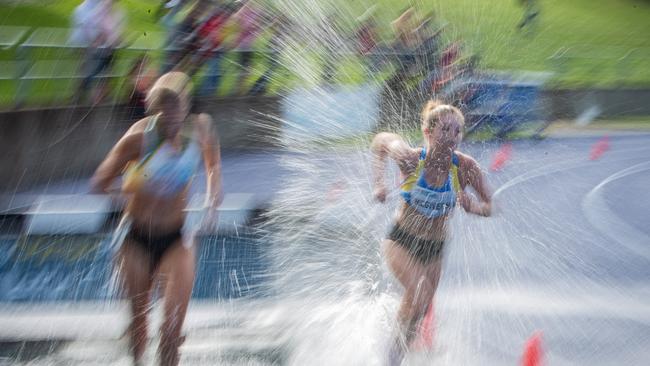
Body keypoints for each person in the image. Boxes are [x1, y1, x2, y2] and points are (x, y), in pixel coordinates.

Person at [90, 72, 222, 366]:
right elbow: (99, 182)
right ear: (154, 112)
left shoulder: (200, 130)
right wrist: (127, 191)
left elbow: (212, 163)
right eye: (165, 117)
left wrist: (214, 194)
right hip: (136, 238)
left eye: (178, 114)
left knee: (172, 330)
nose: (172, 125)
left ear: (187, 108)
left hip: (177, 237)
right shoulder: (138, 138)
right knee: (139, 328)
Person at [371, 100, 492, 365]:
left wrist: (474, 208)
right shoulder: (411, 160)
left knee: (421, 308)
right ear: (427, 132)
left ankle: (397, 352)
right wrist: (379, 183)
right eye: (445, 130)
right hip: (402, 239)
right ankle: (389, 359)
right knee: (417, 293)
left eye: (457, 131)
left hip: (434, 249)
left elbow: (490, 206)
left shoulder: (465, 168)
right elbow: (380, 141)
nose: (452, 136)